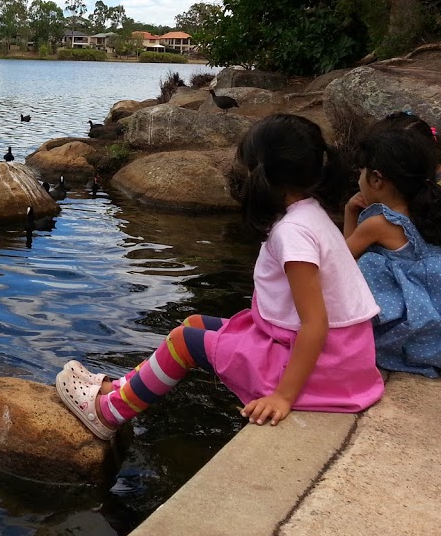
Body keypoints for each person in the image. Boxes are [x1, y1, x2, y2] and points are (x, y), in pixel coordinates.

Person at [55, 114, 384, 440]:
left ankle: (108, 413)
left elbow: (315, 323)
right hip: (340, 362)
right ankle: (119, 388)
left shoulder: (293, 233)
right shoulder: (310, 213)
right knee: (195, 323)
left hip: (323, 373)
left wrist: (283, 396)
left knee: (183, 343)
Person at [344, 128, 441, 377]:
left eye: (360, 174)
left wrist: (349, 212)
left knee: (370, 263)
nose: (358, 181)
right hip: (434, 331)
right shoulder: (430, 212)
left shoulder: (380, 222)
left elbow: (343, 262)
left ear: (376, 179)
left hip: (415, 339)